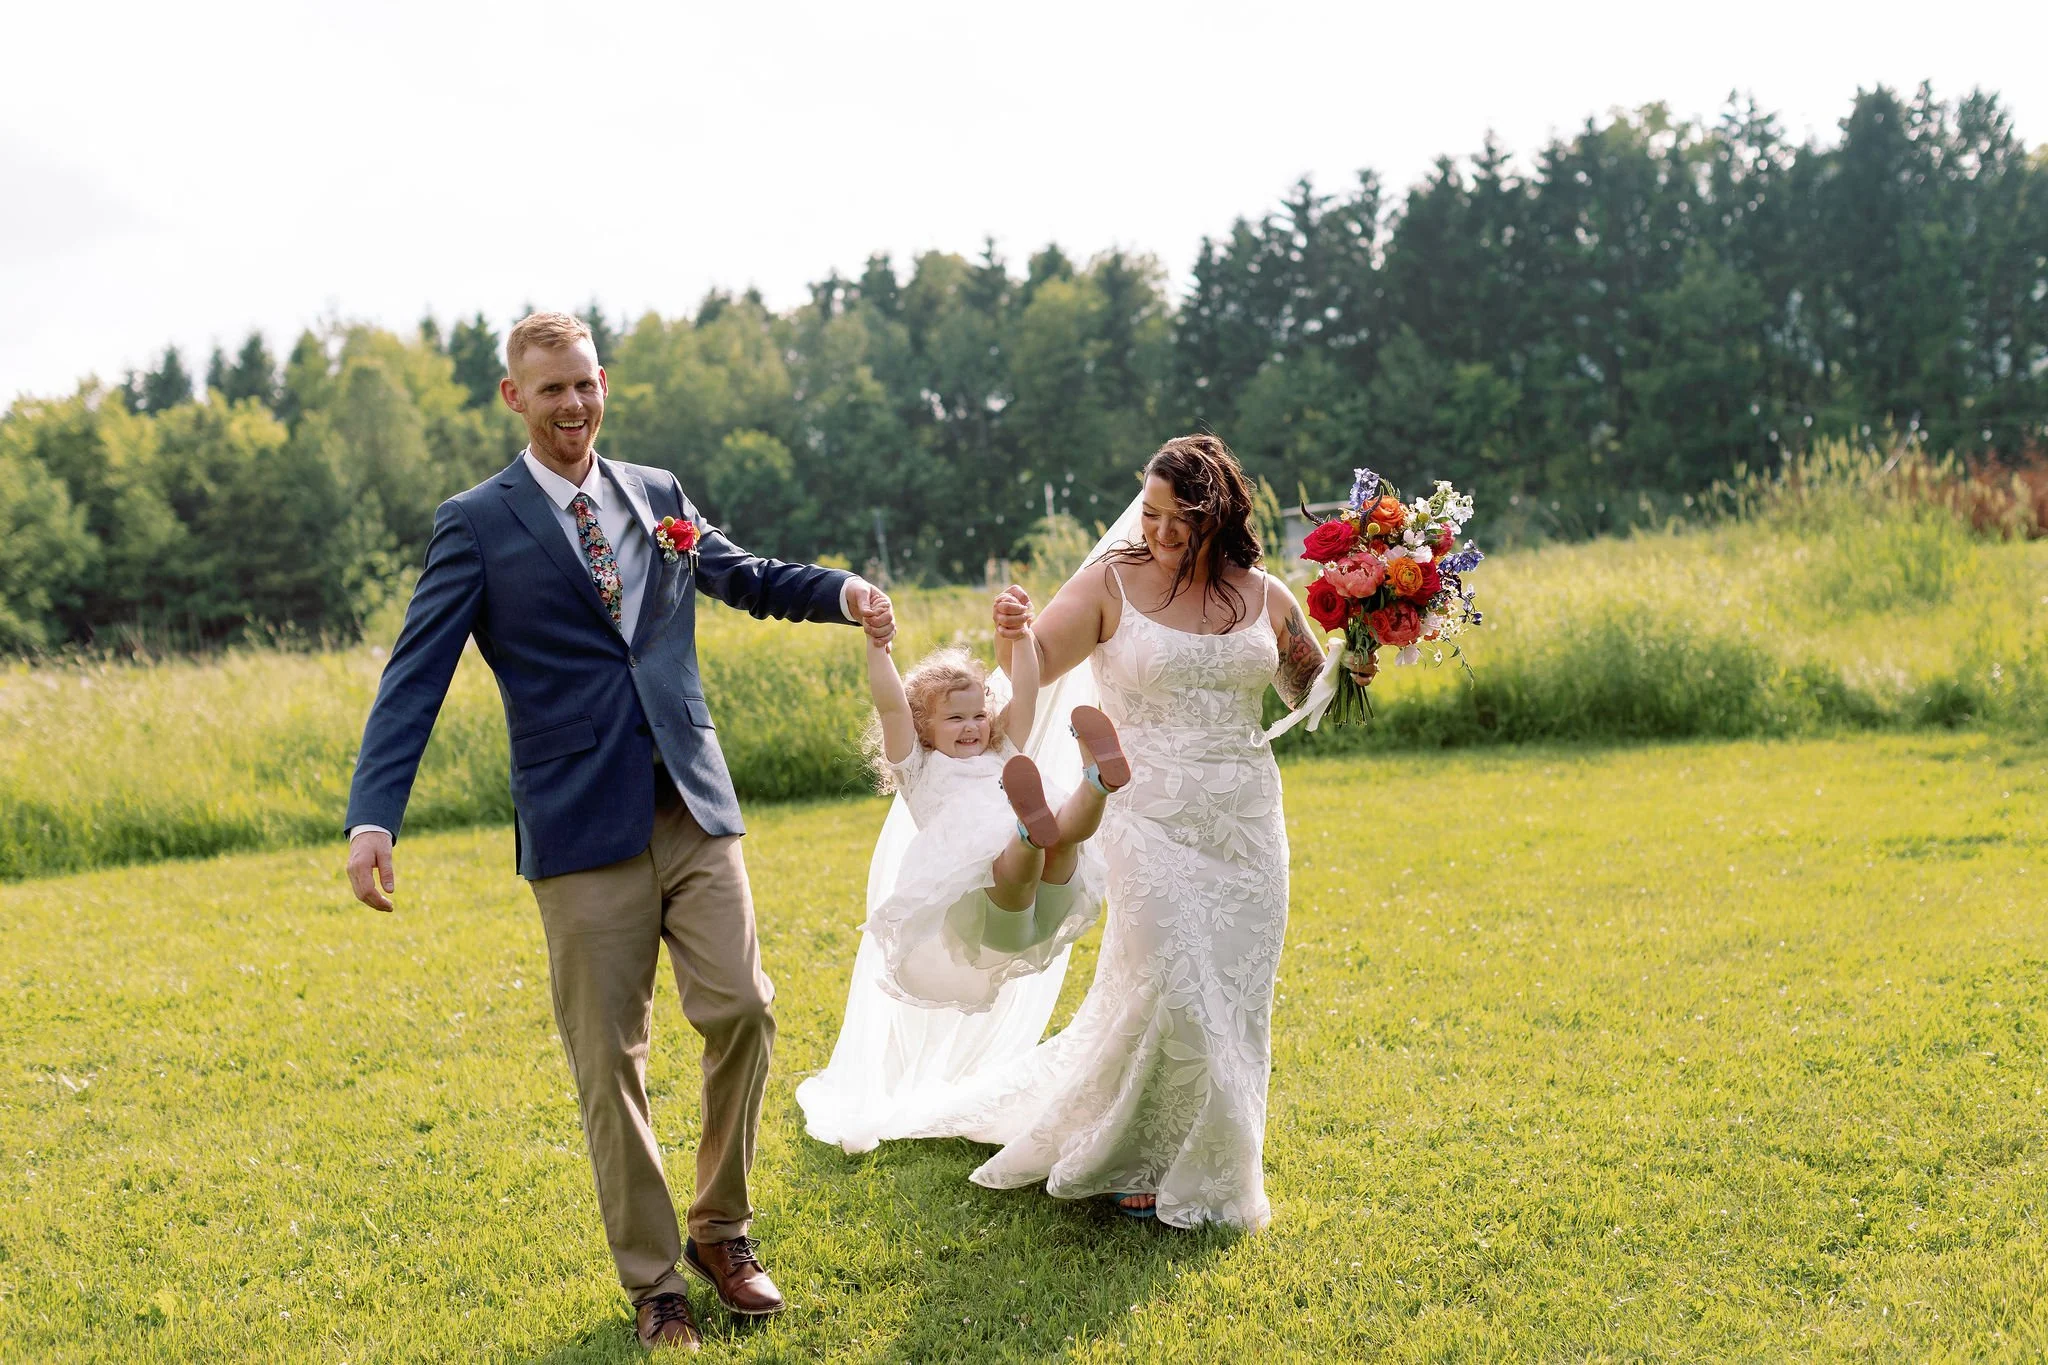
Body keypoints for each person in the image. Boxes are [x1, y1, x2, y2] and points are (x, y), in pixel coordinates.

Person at [342, 312, 893, 1351]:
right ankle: (656, 1286)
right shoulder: (476, 522)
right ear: (513, 397)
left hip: (691, 797)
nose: (572, 406)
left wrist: (840, 591)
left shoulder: (655, 493)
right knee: (611, 1062)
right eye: (550, 389)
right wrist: (375, 814)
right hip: (578, 823)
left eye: (585, 385)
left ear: (605, 386)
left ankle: (720, 1231)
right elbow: (415, 674)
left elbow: (742, 575)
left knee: (743, 1009)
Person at [828, 432, 1371, 1228]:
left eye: (1175, 519)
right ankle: (1132, 1155)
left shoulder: (1266, 596)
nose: (1157, 532)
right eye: (1148, 514)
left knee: (1234, 994)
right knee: (1174, 978)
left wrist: (1353, 662)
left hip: (1247, 819)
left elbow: (1301, 688)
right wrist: (1012, 629)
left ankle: (1208, 1155)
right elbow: (1035, 665)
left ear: (1216, 514)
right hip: (1144, 810)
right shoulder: (1109, 584)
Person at [860, 625, 1126, 1013]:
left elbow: (1026, 694)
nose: (971, 726)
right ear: (923, 728)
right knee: (1035, 853)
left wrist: (1021, 636)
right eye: (955, 718)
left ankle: (1096, 783)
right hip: (1004, 905)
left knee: (1059, 838)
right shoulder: (918, 768)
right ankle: (1074, 799)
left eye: (979, 715)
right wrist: (877, 649)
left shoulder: (1001, 751)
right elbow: (891, 707)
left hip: (1013, 911)